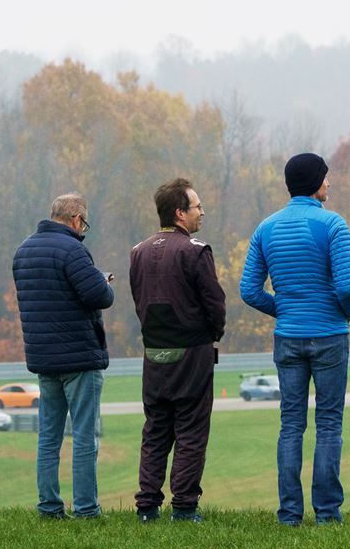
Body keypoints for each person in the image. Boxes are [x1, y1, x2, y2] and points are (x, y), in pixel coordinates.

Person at [240, 153, 350, 526]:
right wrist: (347, 312)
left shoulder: (266, 228)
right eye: (326, 177)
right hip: (329, 336)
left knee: (290, 424)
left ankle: (289, 513)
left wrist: (286, 310)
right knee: (328, 424)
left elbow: (249, 290)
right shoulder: (333, 225)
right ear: (315, 183)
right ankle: (327, 513)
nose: (330, 182)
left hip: (288, 339)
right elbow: (348, 286)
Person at [13, 192, 114, 519]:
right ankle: (86, 509)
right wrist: (103, 281)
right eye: (83, 222)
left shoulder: (23, 251)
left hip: (44, 358)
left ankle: (49, 506)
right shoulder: (73, 250)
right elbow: (99, 296)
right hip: (79, 358)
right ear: (75, 218)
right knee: (85, 437)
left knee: (49, 437)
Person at [130, 178, 226, 523]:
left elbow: (139, 302)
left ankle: (147, 507)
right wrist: (211, 335)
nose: (202, 211)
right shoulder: (195, 251)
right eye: (197, 206)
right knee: (191, 429)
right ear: (180, 213)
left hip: (153, 354)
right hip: (192, 354)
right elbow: (215, 304)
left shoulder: (138, 252)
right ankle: (184, 506)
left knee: (155, 429)